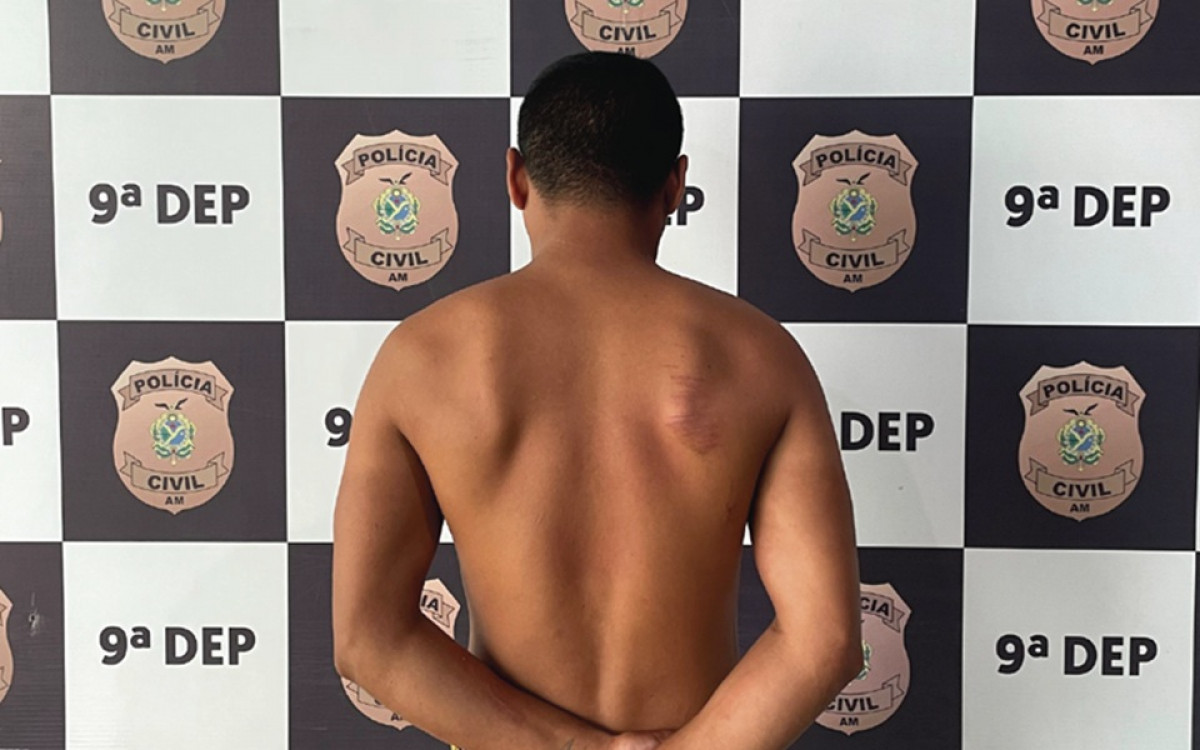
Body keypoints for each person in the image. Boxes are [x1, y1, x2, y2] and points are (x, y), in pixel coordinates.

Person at [331, 51, 861, 750]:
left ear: (516, 178)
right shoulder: (760, 355)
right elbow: (825, 641)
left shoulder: (422, 356)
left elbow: (368, 638)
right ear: (675, 185)